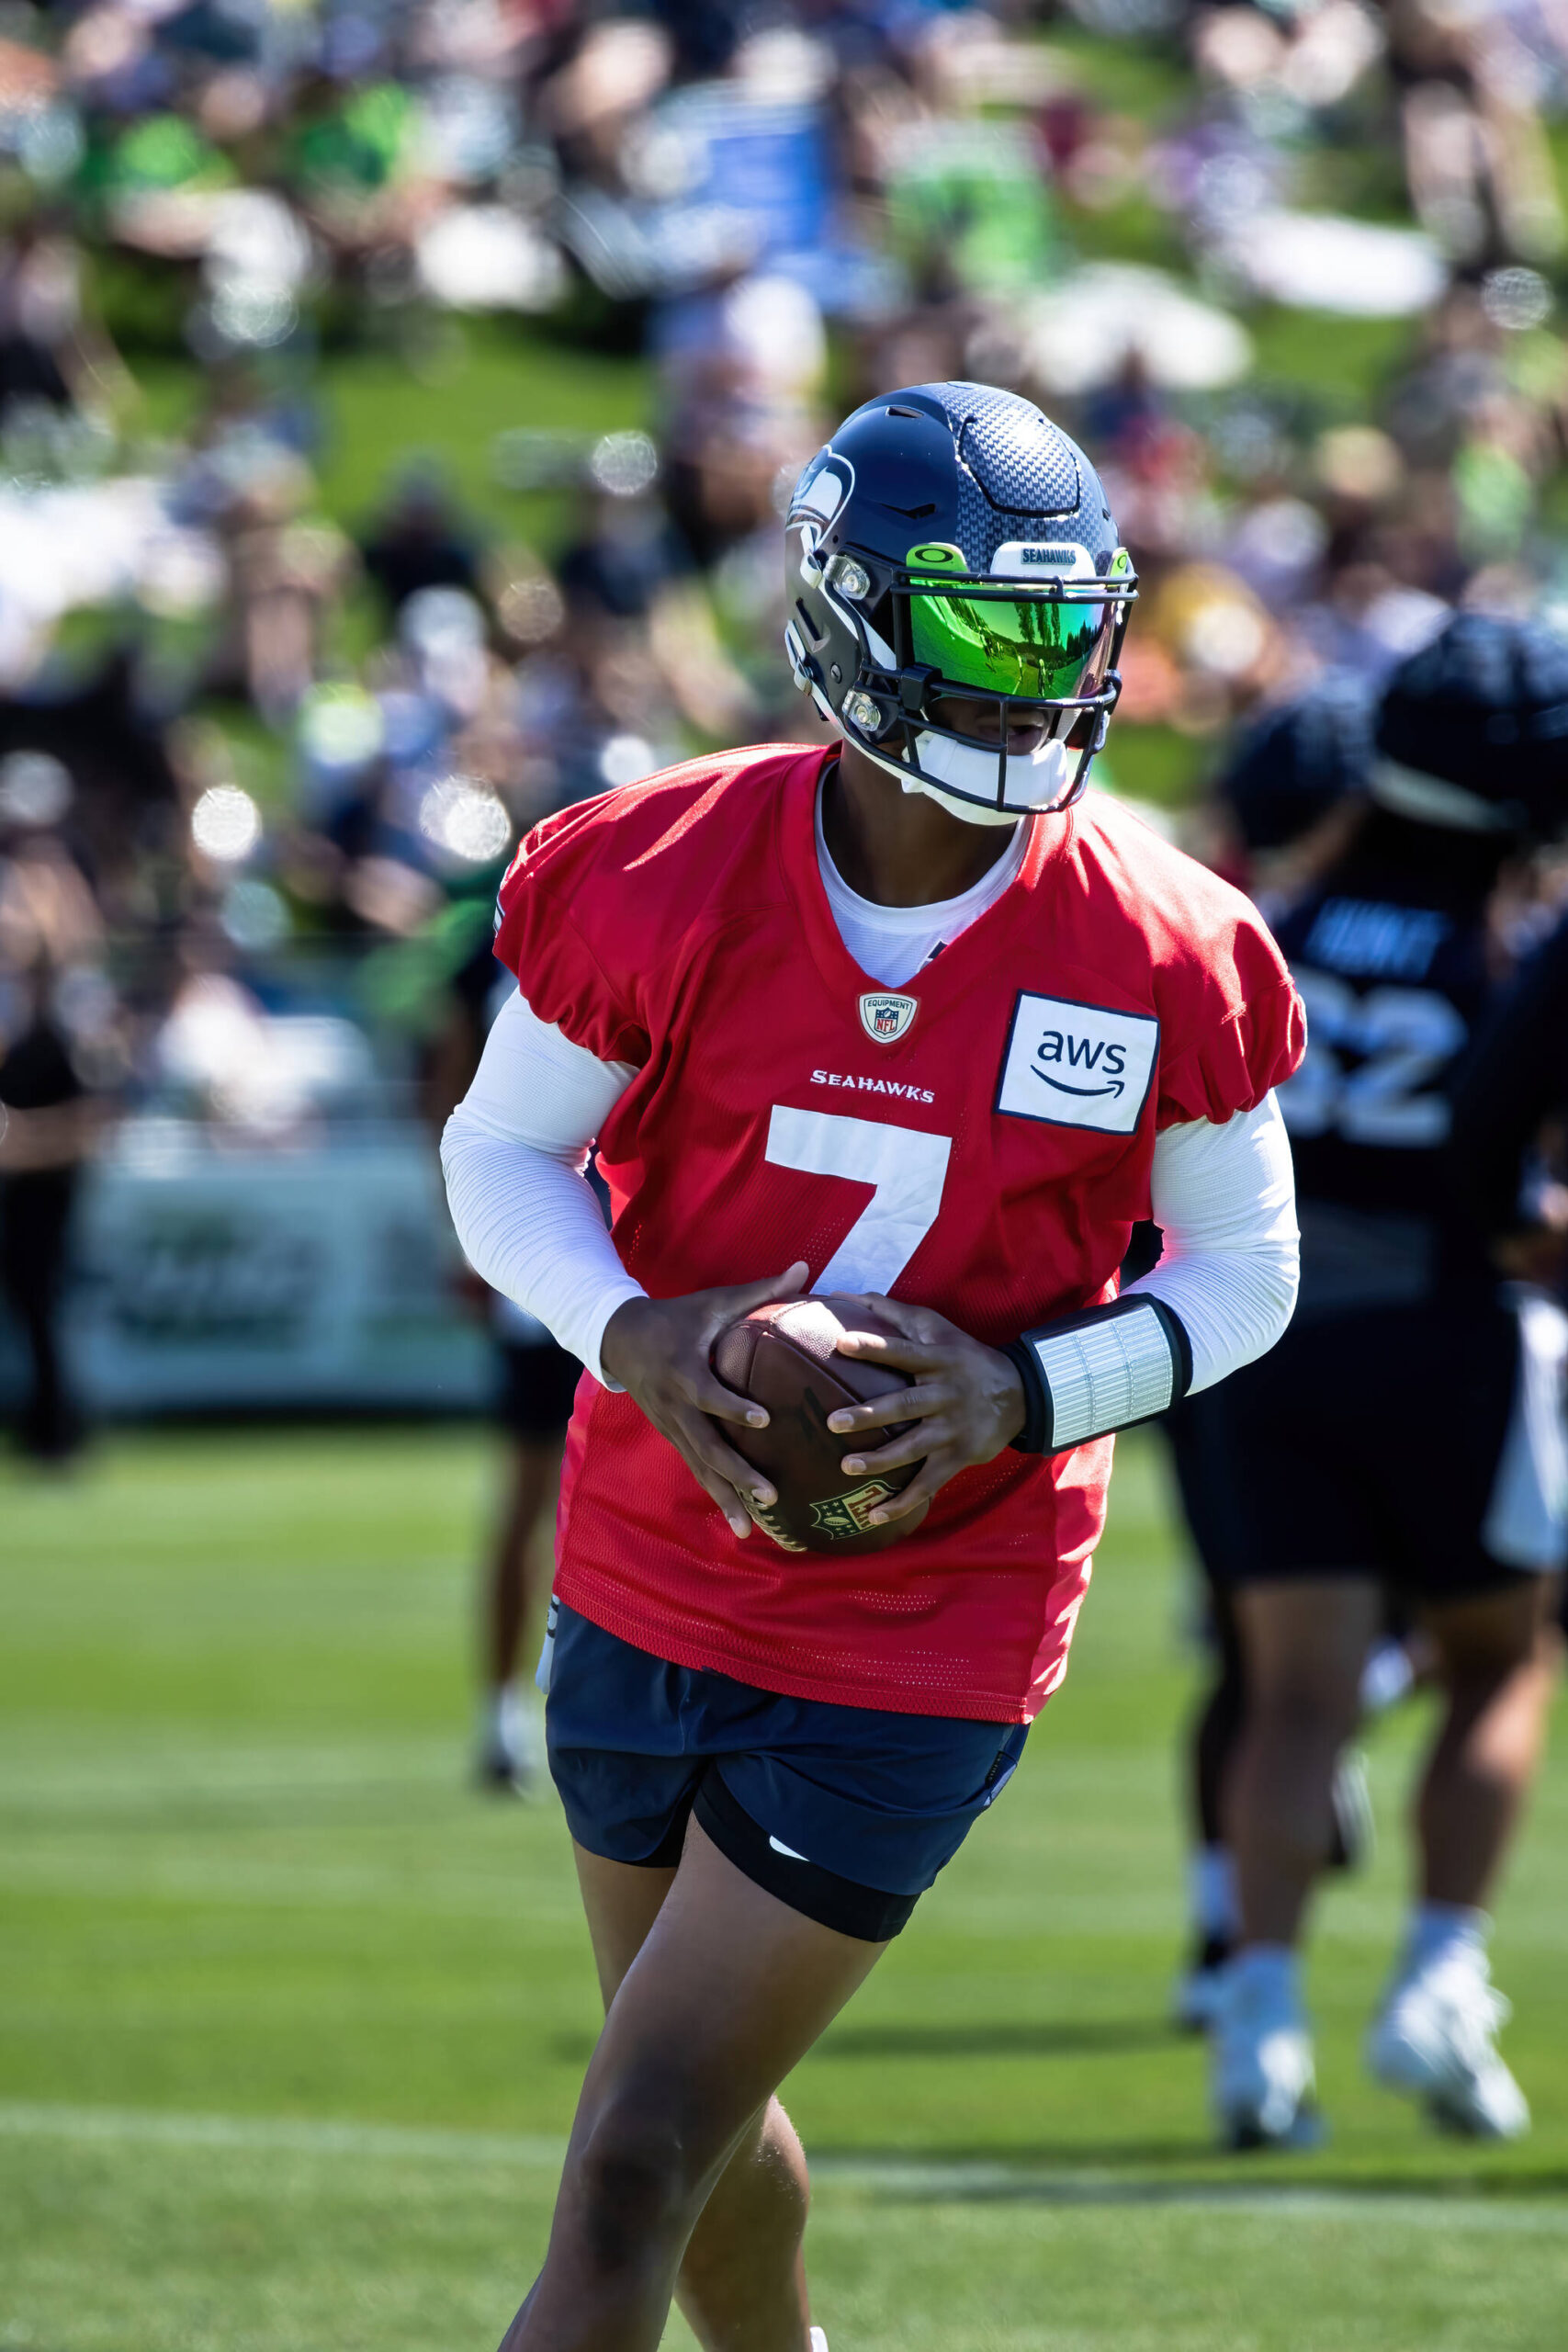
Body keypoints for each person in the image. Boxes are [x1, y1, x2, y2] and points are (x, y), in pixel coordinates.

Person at [442, 382, 1304, 2352]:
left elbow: (1242, 1276)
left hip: (933, 1602)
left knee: (628, 2147)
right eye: (992, 630)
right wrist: (634, 1329)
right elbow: (497, 1153)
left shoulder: (1163, 939)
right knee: (691, 2110)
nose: (1042, 684)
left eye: (1066, 631)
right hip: (646, 1547)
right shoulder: (659, 862)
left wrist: (1018, 1389)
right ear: (850, 618)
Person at [1205, 614, 1568, 2149]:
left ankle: (1259, 2022)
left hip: (1259, 1341)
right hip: (1443, 1332)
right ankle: (1436, 1975)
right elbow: (1502, 1165)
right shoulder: (1513, 943)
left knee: (1293, 1702)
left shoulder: (1262, 921)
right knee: (1498, 1661)